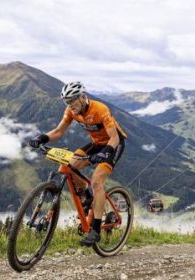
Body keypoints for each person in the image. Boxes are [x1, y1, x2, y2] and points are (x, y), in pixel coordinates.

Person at [29, 81, 127, 246]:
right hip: (96, 144)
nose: (69, 105)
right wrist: (41, 138)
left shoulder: (100, 109)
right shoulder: (71, 111)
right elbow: (59, 131)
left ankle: (95, 229)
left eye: (72, 100)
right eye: (66, 101)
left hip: (114, 145)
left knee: (97, 181)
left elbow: (115, 137)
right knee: (69, 165)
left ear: (82, 98)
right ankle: (87, 196)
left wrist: (106, 152)